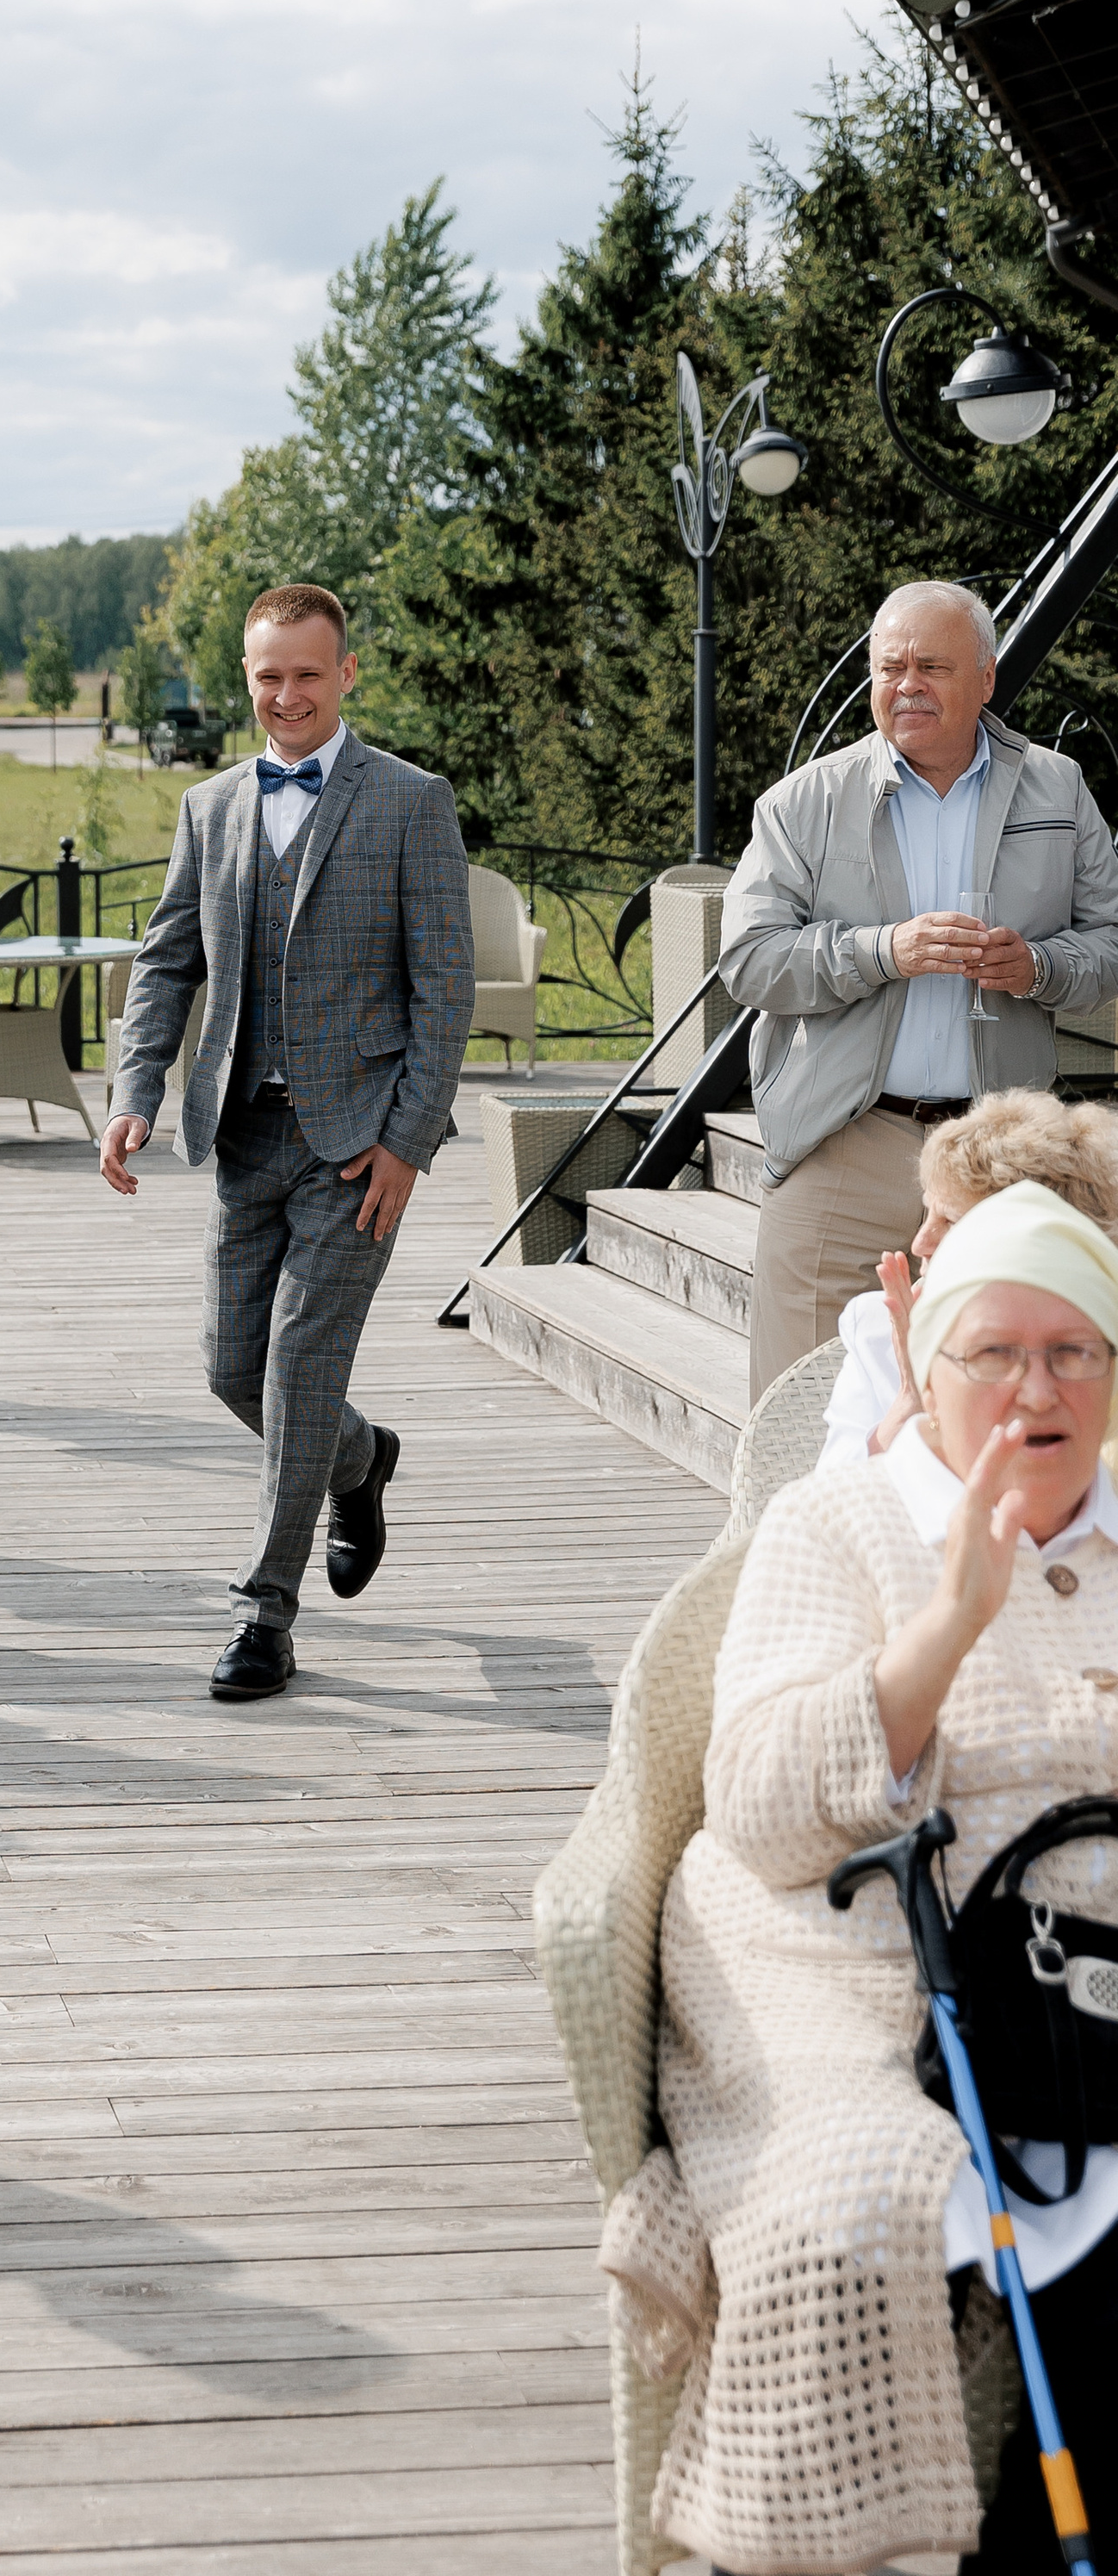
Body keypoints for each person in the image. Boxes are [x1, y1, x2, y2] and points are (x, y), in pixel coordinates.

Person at [629, 1181, 1118, 2570]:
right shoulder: (843, 1521)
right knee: (849, 2206)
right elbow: (765, 1805)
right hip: (876, 1971)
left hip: (1092, 1974)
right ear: (929, 1366)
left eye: (1074, 1350)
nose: (1038, 1386)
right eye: (995, 1352)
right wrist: (950, 1624)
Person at [101, 582, 474, 1702]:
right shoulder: (210, 807)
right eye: (269, 675)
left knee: (302, 1361)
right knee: (235, 1371)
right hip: (240, 1133)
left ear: (346, 673)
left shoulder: (410, 802)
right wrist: (135, 1089)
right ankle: (361, 1460)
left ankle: (263, 1613)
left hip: (358, 1143)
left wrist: (409, 1142)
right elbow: (168, 962)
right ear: (248, 677)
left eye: (309, 673)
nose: (288, 693)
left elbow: (445, 990)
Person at [721, 578, 1118, 1403]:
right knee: (795, 1412)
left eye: (932, 666)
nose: (907, 685)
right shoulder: (802, 802)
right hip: (845, 1144)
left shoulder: (1058, 789)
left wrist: (1039, 969)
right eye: (890, 666)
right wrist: (883, 951)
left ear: (986, 678)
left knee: (993, 1408)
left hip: (1000, 1157)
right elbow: (750, 961)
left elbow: (1112, 948)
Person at [813, 1089, 1118, 1473]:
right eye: (927, 1214)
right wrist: (912, 1401)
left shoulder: (1098, 1348)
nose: (920, 1242)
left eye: (951, 1222)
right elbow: (831, 1503)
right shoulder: (877, 1331)